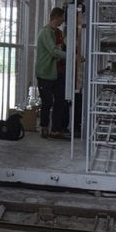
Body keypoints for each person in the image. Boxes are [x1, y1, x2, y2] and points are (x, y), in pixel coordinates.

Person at [35, 8, 69, 139]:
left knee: (60, 101)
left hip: (57, 72)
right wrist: (71, 56)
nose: (63, 20)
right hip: (45, 73)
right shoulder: (45, 32)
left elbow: (59, 49)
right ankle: (44, 127)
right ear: (56, 17)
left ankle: (55, 130)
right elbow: (53, 51)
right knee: (47, 101)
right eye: (62, 17)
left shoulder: (57, 32)